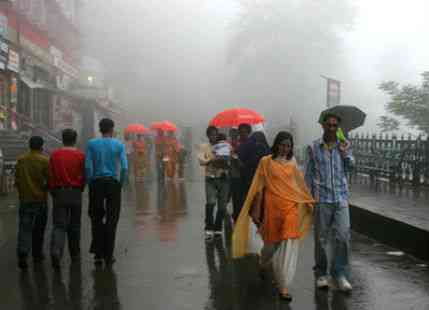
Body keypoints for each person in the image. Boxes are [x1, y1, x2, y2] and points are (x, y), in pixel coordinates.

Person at [232, 132, 314, 301]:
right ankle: (263, 262)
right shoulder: (266, 162)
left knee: (288, 244)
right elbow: (259, 187)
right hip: (272, 208)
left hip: (290, 207)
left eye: (288, 146)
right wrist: (255, 209)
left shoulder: (292, 163)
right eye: (282, 145)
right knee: (271, 246)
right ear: (276, 144)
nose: (285, 148)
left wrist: (308, 200)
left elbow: (299, 184)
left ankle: (283, 285)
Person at [305, 113, 354, 292]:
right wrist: (308, 198)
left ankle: (339, 273)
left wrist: (344, 153)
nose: (332, 128)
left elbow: (351, 168)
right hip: (321, 199)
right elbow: (308, 174)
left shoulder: (345, 145)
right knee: (321, 239)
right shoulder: (312, 147)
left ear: (338, 128)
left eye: (335, 126)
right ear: (323, 126)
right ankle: (321, 273)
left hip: (341, 197)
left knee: (343, 237)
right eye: (329, 125)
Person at [86, 118, 128, 266]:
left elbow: (88, 167)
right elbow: (124, 168)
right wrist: (120, 183)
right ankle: (109, 255)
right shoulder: (118, 144)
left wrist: (91, 182)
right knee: (112, 219)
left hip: (96, 183)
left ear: (100, 129)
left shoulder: (91, 144)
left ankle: (98, 254)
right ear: (112, 129)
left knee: (96, 218)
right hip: (113, 183)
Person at [48, 129, 85, 269]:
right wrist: (81, 188)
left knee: (59, 225)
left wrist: (53, 191)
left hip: (59, 193)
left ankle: (56, 250)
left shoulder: (55, 155)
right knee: (75, 226)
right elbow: (84, 175)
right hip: (75, 193)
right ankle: (74, 254)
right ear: (75, 140)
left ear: (63, 139)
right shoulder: (81, 155)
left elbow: (50, 175)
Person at [15, 136, 49, 269]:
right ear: (41, 146)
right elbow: (49, 179)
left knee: (24, 227)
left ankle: (23, 252)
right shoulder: (45, 160)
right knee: (39, 229)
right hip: (40, 199)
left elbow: (17, 179)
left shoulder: (21, 160)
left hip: (25, 199)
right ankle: (37, 254)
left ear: (29, 145)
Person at [198, 126, 230, 239]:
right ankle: (208, 228)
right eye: (211, 134)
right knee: (210, 203)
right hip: (210, 179)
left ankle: (218, 228)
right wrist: (212, 159)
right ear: (208, 136)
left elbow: (229, 159)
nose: (214, 136)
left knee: (222, 206)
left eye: (215, 134)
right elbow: (201, 161)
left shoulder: (224, 145)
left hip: (223, 178)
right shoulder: (204, 147)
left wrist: (227, 159)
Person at [237, 127, 271, 219]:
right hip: (262, 182)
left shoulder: (246, 146)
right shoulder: (267, 149)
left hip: (249, 181)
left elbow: (241, 162)